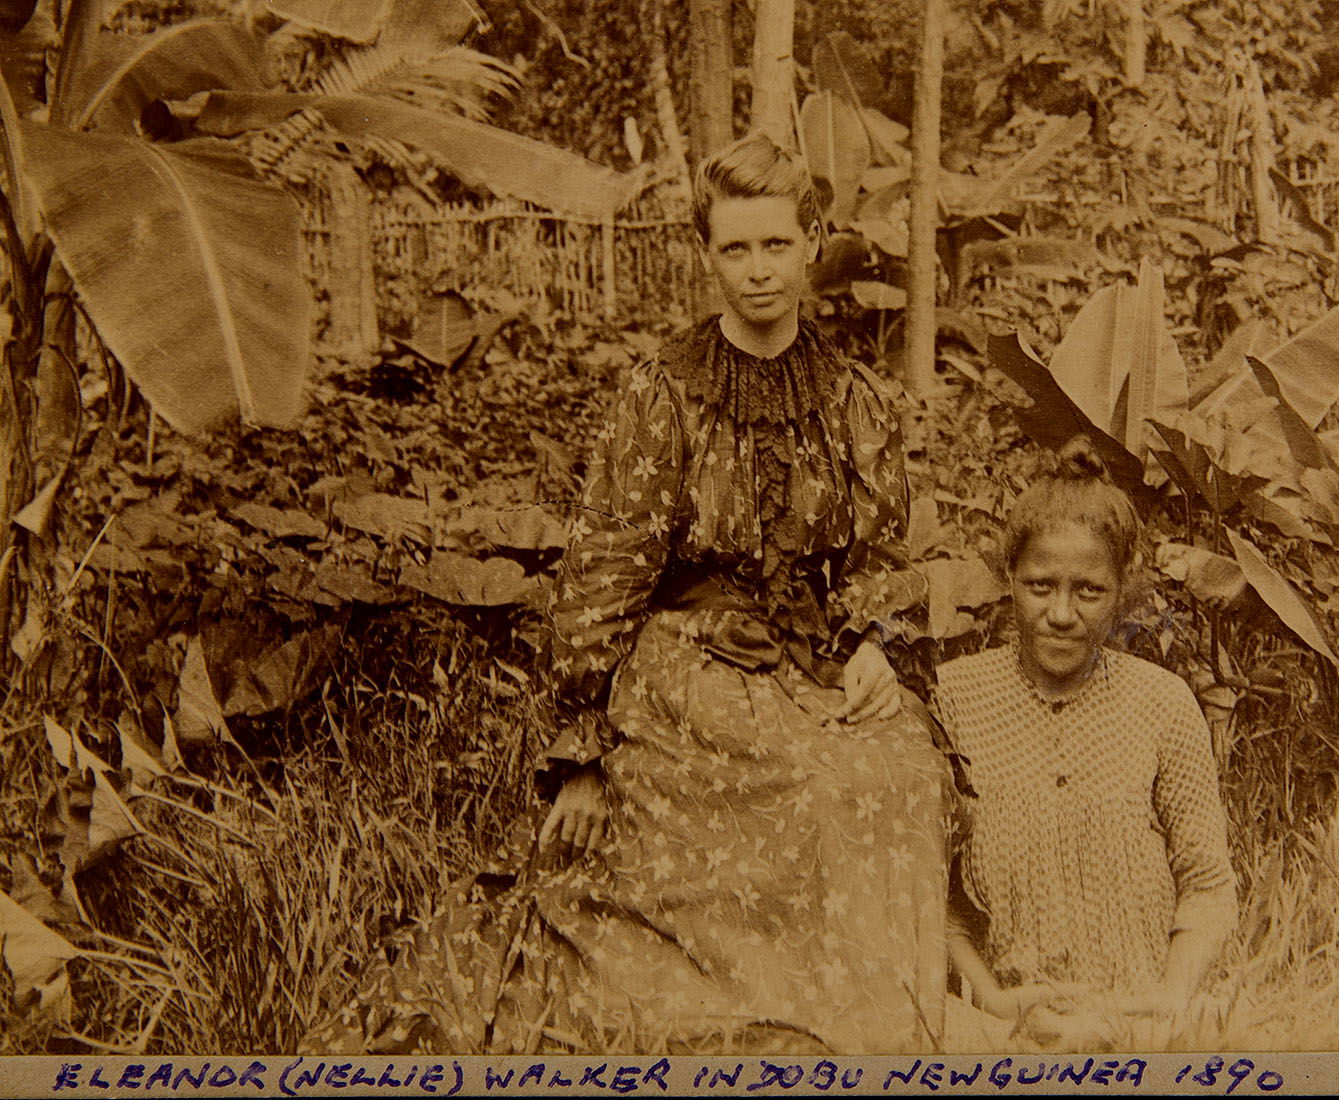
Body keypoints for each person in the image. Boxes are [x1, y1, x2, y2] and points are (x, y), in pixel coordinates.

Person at [302, 133, 952, 1055]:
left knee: (902, 772)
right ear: (707, 256)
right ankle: (771, 1013)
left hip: (817, 654)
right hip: (690, 662)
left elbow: (883, 546)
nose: (758, 270)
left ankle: (890, 1019)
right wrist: (581, 754)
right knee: (799, 787)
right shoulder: (663, 395)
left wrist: (876, 641)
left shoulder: (854, 398)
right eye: (735, 248)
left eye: (776, 244)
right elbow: (604, 570)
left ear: (813, 242)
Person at [936, 437, 1237, 1049]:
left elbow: (1208, 884)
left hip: (1141, 1013)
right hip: (1002, 1024)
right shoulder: (951, 699)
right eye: (1041, 586)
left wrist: (1170, 999)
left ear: (1123, 588)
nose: (1062, 613)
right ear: (1009, 579)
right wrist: (993, 1002)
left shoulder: (1163, 703)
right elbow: (928, 893)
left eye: (1089, 591)